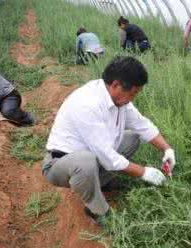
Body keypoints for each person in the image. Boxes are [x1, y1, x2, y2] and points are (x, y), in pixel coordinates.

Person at [42, 56, 175, 226]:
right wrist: (144, 172)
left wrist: (167, 149)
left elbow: (142, 125)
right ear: (116, 85)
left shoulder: (119, 100)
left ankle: (102, 181)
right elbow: (108, 157)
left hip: (94, 156)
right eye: (133, 93)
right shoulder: (87, 104)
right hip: (59, 164)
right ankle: (97, 210)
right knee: (85, 161)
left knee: (132, 138)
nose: (133, 98)